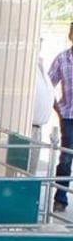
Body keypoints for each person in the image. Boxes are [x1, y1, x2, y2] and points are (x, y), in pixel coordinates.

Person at [50, 23, 73, 210]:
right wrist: (57, 107)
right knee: (66, 157)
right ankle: (60, 198)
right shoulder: (63, 59)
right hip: (69, 116)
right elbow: (49, 84)